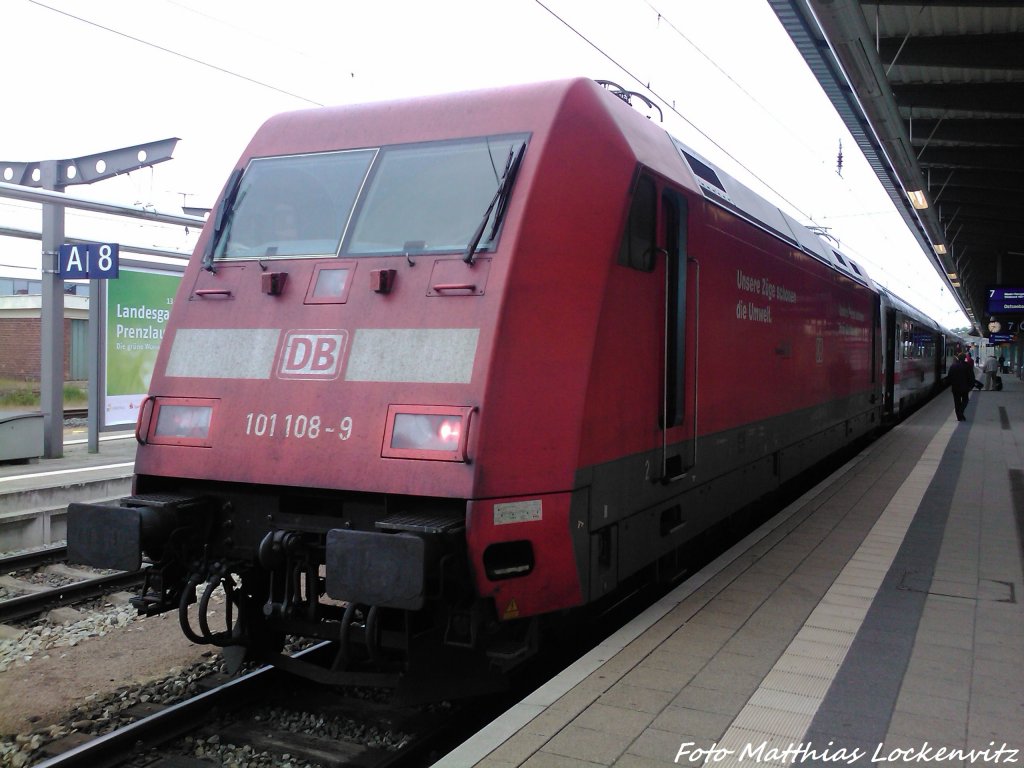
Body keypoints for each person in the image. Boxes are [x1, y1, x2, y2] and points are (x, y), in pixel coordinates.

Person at [947, 353, 975, 421]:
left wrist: (951, 384)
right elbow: (971, 377)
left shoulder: (953, 366)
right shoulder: (967, 366)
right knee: (965, 400)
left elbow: (949, 377)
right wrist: (971, 386)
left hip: (955, 387)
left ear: (958, 358)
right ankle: (961, 412)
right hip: (965, 387)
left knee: (957, 402)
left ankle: (959, 416)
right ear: (965, 358)